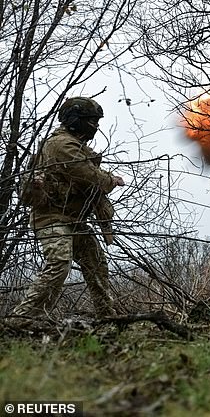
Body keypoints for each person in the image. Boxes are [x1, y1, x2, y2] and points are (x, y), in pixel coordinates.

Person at [12, 97, 125, 321]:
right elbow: (88, 175)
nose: (95, 126)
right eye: (91, 121)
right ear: (75, 120)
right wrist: (111, 180)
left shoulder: (74, 144)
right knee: (59, 265)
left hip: (73, 220)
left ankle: (107, 318)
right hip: (52, 219)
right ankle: (21, 319)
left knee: (96, 265)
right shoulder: (62, 144)